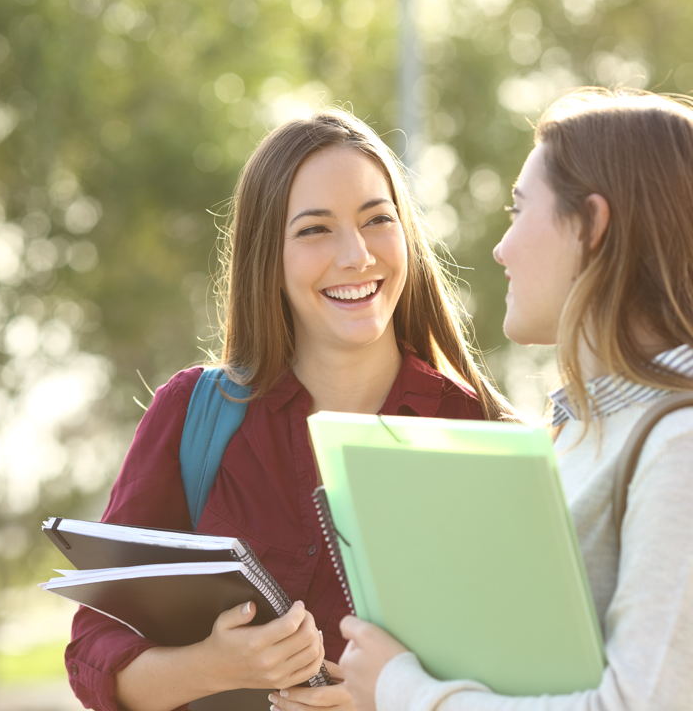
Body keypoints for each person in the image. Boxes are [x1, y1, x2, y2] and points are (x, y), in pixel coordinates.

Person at [64, 108, 513, 711]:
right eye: (314, 230)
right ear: (266, 257)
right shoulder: (193, 415)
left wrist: (392, 700)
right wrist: (210, 668)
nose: (356, 256)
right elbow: (94, 650)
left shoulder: (484, 434)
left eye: (377, 219)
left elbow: (532, 677)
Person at [329, 88, 693, 711]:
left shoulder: (678, 443)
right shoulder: (578, 431)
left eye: (519, 210)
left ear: (593, 227)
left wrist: (403, 691)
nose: (501, 248)